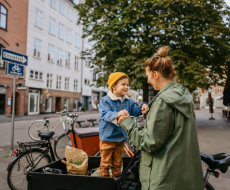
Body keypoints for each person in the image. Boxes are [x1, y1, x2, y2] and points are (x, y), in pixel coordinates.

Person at [118, 46, 204, 190]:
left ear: (156, 74)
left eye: (148, 75)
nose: (148, 81)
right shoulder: (183, 94)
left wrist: (127, 123)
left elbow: (150, 142)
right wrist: (151, 112)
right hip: (181, 175)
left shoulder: (162, 101)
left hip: (163, 177)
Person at [98, 72, 148, 177]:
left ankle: (116, 180)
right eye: (123, 84)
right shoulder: (105, 100)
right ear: (114, 86)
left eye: (127, 85)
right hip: (107, 138)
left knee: (117, 163)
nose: (126, 87)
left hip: (120, 138)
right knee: (105, 163)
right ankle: (105, 182)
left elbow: (134, 110)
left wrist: (142, 106)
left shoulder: (128, 100)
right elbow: (104, 114)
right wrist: (117, 114)